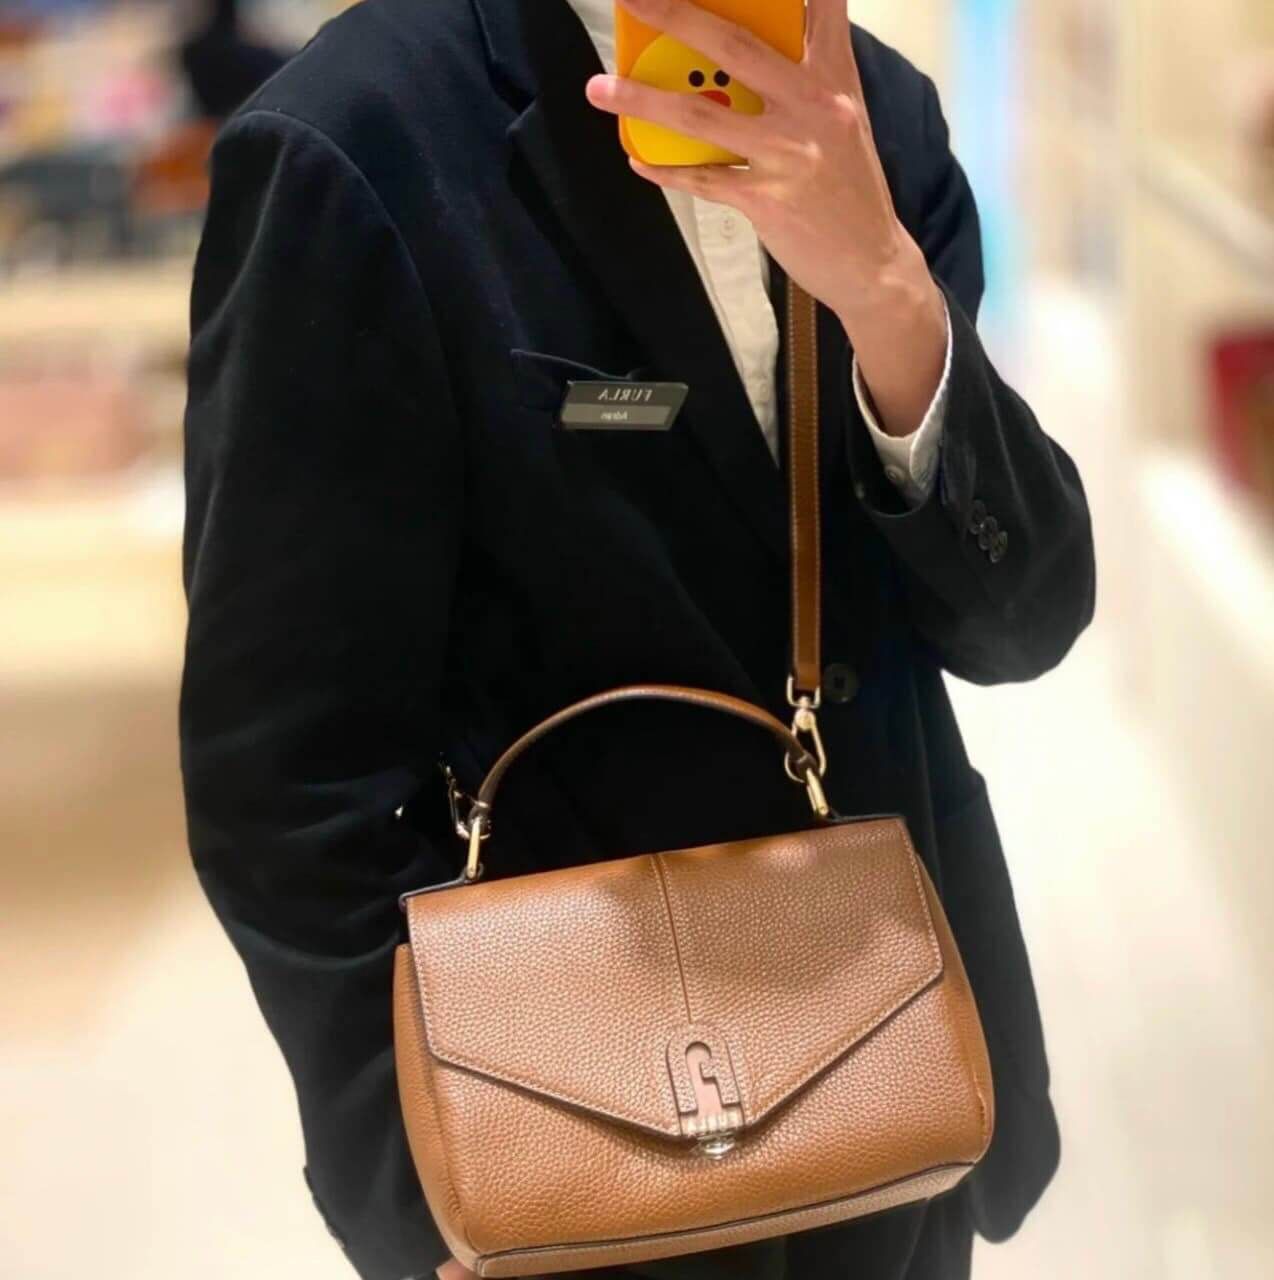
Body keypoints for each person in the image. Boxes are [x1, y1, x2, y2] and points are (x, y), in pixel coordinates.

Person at [178, 1, 1095, 1277]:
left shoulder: (873, 116)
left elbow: (1021, 623)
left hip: (892, 1075)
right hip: (570, 1121)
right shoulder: (359, 140)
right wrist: (417, 1197)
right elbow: (282, 769)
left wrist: (884, 289)